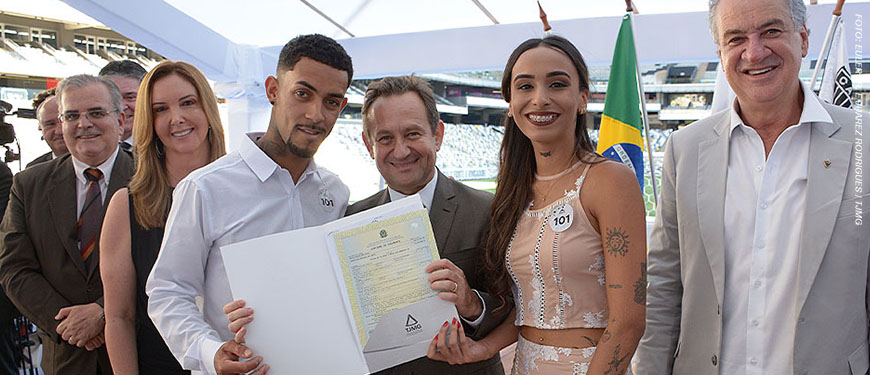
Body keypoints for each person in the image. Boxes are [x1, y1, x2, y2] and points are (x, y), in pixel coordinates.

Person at [634, 0, 870, 374]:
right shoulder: (686, 149)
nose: (754, 52)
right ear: (721, 52)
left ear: (804, 39)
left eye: (771, 31)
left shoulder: (864, 142)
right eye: (736, 38)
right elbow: (665, 284)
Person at [223, 75, 511, 374]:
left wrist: (472, 305)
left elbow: (517, 305)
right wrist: (260, 320)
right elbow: (319, 311)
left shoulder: (488, 210)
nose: (400, 151)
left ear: (437, 134)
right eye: (385, 138)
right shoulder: (348, 221)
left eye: (412, 134)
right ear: (368, 144)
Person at [427, 35, 647, 375]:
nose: (540, 99)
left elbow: (628, 323)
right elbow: (526, 308)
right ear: (511, 103)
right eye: (525, 87)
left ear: (583, 98)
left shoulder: (610, 181)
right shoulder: (513, 192)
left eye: (557, 84)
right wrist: (481, 348)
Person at [146, 34, 352, 375]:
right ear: (273, 90)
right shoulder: (205, 187)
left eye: (331, 102)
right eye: (303, 94)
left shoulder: (335, 192)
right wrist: (211, 352)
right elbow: (168, 291)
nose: (315, 114)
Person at [0, 74, 134, 374]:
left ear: (121, 119)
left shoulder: (152, 179)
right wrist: (67, 325)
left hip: (139, 353)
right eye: (71, 115)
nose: (83, 123)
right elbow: (13, 268)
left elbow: (163, 265)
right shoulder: (28, 185)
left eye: (96, 113)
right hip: (66, 355)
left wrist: (102, 312)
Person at [100, 61, 226, 374]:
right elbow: (119, 317)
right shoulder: (127, 206)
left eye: (188, 103)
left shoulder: (243, 193)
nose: (177, 118)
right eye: (160, 109)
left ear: (208, 108)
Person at [99, 60, 147, 152]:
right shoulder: (86, 148)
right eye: (113, 97)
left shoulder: (166, 149)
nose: (121, 106)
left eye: (130, 97)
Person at [28, 88, 69, 168]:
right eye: (50, 124)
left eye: (64, 121)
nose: (59, 131)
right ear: (40, 127)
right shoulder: (33, 172)